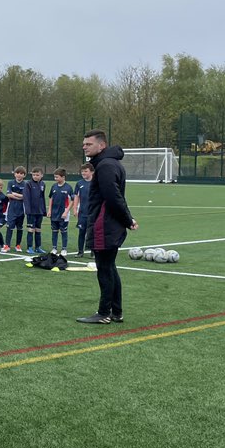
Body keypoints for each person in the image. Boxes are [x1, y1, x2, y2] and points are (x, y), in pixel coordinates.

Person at [78, 130, 138, 325]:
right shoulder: (109, 163)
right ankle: (116, 312)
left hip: (104, 225)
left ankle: (104, 312)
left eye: (88, 144)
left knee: (104, 269)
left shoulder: (105, 166)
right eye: (84, 144)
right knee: (110, 267)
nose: (84, 147)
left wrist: (127, 219)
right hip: (110, 224)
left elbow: (113, 197)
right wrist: (127, 219)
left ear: (101, 145)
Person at [48, 168, 75, 255]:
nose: (55, 179)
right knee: (54, 231)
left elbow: (72, 200)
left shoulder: (68, 187)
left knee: (63, 231)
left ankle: (64, 249)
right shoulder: (54, 186)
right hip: (54, 213)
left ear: (63, 177)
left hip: (64, 213)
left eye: (57, 177)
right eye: (54, 177)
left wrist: (66, 211)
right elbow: (51, 198)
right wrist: (49, 210)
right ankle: (54, 248)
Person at [72, 162, 94, 258]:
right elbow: (76, 196)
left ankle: (93, 252)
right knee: (82, 232)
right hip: (82, 212)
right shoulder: (79, 183)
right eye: (82, 171)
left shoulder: (96, 182)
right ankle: (80, 251)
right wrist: (75, 208)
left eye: (86, 171)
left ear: (92, 172)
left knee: (93, 232)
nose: (83, 173)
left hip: (93, 212)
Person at [23, 167, 46, 254]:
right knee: (30, 229)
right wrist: (28, 210)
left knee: (38, 229)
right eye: (33, 175)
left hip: (39, 211)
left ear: (41, 175)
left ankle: (38, 247)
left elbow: (42, 197)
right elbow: (26, 198)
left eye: (37, 175)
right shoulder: (28, 184)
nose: (35, 176)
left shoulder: (43, 184)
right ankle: (29, 247)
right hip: (31, 211)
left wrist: (43, 210)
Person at [3, 167, 27, 252]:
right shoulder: (10, 183)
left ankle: (18, 245)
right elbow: (8, 195)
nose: (19, 175)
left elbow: (26, 197)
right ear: (14, 174)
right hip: (12, 208)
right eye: (17, 173)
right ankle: (7, 245)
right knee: (9, 227)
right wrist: (20, 197)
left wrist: (15, 194)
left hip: (21, 209)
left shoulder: (25, 184)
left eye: (21, 173)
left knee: (19, 228)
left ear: (24, 175)